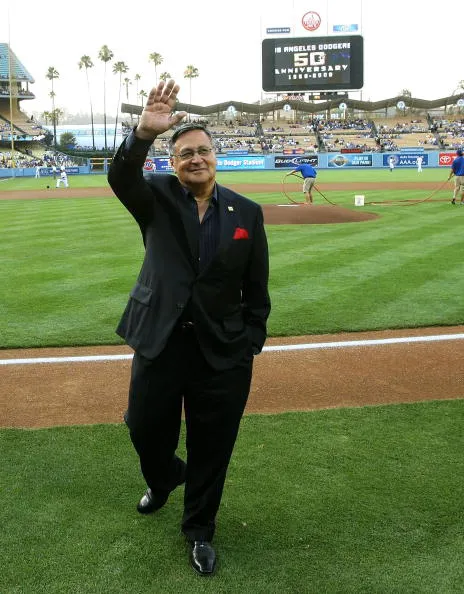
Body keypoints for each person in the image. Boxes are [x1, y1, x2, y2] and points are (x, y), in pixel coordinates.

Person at [107, 79, 271, 577]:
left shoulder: (247, 212)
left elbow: (256, 283)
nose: (195, 159)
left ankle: (199, 530)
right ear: (173, 163)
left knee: (212, 444)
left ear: (215, 156)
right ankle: (163, 477)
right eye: (184, 154)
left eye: (202, 151)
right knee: (143, 427)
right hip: (161, 341)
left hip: (222, 352)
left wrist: (251, 341)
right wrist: (142, 133)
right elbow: (120, 177)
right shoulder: (154, 196)